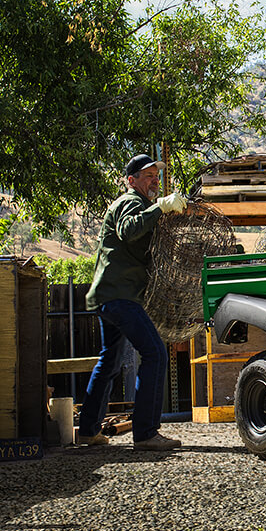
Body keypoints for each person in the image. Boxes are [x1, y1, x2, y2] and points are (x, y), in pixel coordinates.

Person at [76, 154, 187, 451]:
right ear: (131, 180)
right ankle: (146, 433)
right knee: (155, 354)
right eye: (148, 175)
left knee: (109, 361)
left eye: (156, 176)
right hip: (120, 296)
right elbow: (128, 230)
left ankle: (87, 431)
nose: (154, 181)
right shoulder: (130, 202)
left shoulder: (140, 205)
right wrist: (160, 207)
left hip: (108, 296)